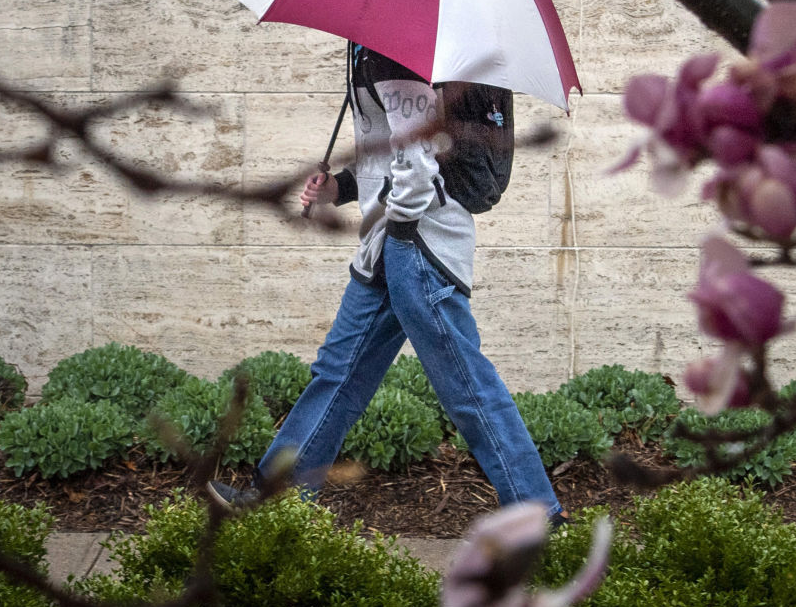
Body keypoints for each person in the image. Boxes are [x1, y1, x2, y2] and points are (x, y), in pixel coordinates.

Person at [215, 43, 563, 523]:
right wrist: (339, 187)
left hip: (418, 245)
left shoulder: (396, 52)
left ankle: (541, 515)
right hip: (389, 243)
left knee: (466, 385)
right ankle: (276, 502)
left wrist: (399, 230)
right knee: (338, 372)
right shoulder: (369, 48)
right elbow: (388, 155)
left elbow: (418, 163)